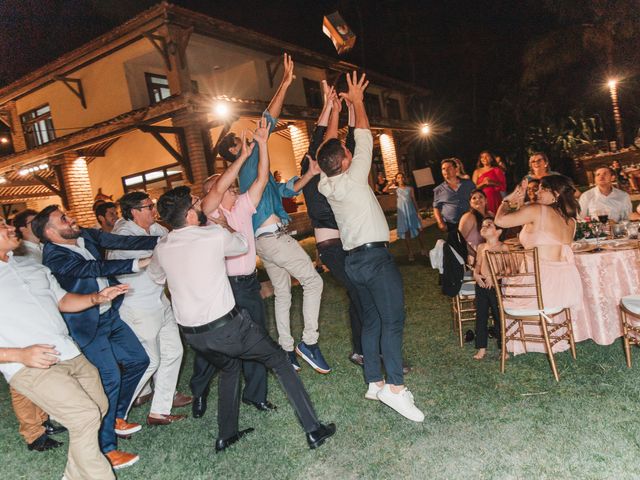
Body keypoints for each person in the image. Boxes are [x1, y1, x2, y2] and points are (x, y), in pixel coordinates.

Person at [149, 185, 336, 451]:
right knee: (280, 361)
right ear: (190, 214)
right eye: (195, 204)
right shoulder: (212, 234)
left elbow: (156, 278)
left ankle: (226, 435)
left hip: (193, 335)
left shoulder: (162, 247)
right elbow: (242, 245)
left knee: (229, 368)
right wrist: (226, 224)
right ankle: (313, 429)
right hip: (228, 328)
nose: (200, 206)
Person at [317, 71, 424, 422]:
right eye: (347, 153)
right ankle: (394, 389)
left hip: (353, 263)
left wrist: (338, 109)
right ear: (345, 161)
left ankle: (372, 381)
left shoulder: (326, 184)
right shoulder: (354, 178)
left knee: (374, 321)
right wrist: (358, 102)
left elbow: (328, 149)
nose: (349, 152)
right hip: (375, 259)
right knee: (392, 321)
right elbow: (363, 136)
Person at [217, 54, 329, 373]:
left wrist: (309, 174)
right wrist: (285, 82)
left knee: (282, 293)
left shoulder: (252, 173)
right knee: (313, 282)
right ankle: (309, 341)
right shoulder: (250, 162)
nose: (250, 136)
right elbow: (269, 118)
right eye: (243, 140)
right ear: (238, 152)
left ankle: (286, 351)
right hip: (273, 239)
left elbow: (283, 191)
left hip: (266, 241)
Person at [32, 206, 159, 470]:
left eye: (68, 214)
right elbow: (92, 268)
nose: (71, 218)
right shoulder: (54, 256)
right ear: (49, 231)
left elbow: (122, 241)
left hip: (109, 315)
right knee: (110, 378)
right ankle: (107, 448)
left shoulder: (84, 235)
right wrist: (139, 263)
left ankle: (114, 416)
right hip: (86, 324)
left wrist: (169, 238)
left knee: (138, 360)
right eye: (63, 218)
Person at [0, 216, 127, 479]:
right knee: (84, 416)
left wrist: (96, 298)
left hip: (70, 353)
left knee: (98, 406)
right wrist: (19, 354)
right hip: (30, 365)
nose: (11, 227)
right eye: (1, 225)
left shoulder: (31, 266)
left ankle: (72, 475)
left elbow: (62, 300)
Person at [190, 117, 279, 418]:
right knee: (218, 345)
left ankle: (255, 395)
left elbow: (262, 179)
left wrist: (263, 146)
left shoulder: (242, 205)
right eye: (223, 185)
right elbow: (219, 188)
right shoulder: (209, 213)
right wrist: (241, 157)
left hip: (249, 284)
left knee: (257, 338)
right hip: (223, 287)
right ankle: (199, 390)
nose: (230, 187)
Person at [110, 191, 191, 425]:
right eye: (148, 207)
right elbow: (149, 260)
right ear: (134, 212)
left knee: (174, 351)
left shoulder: (156, 229)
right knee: (148, 362)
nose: (153, 210)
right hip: (138, 307)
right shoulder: (122, 236)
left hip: (160, 300)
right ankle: (112, 415)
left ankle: (159, 410)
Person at [300, 81, 365, 367]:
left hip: (347, 242)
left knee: (359, 294)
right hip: (332, 246)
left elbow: (339, 144)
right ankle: (363, 351)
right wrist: (332, 109)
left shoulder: (330, 171)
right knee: (361, 293)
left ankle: (361, 350)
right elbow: (323, 139)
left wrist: (344, 107)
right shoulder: (313, 170)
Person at [7, 209, 68, 451]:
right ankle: (33, 434)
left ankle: (44, 421)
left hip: (36, 323)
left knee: (44, 371)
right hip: (15, 330)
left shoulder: (24, 253)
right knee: (20, 384)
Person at [495, 175, 583, 313]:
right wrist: (520, 203)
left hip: (537, 290)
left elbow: (500, 221)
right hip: (563, 290)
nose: (536, 192)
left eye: (542, 189)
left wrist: (506, 201)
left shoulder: (538, 210)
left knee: (493, 282)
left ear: (556, 193)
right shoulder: (571, 221)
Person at [472, 218, 508, 360]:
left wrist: (495, 276)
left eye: (489, 225)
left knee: (498, 316)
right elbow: (478, 265)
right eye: (483, 225)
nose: (485, 227)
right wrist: (476, 274)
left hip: (495, 285)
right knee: (481, 316)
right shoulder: (481, 247)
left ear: (498, 231)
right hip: (481, 284)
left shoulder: (502, 247)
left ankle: (503, 348)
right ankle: (482, 348)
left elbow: (509, 268)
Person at [433, 158, 476, 237]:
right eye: (443, 169)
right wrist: (440, 223)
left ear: (456, 169)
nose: (446, 171)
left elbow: (477, 199)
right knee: (456, 247)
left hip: (470, 221)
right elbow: (436, 208)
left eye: (449, 168)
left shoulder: (468, 184)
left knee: (472, 245)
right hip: (451, 225)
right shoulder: (438, 190)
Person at [395, 172, 427, 261]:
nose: (400, 179)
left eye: (402, 177)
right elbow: (385, 190)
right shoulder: (396, 190)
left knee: (419, 230)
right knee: (407, 232)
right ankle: (410, 253)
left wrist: (418, 212)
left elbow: (414, 200)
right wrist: (390, 183)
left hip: (411, 212)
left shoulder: (410, 189)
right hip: (402, 214)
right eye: (398, 177)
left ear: (404, 179)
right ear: (396, 179)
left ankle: (423, 249)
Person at [458, 189, 492, 265]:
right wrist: (477, 255)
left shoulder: (490, 215)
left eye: (480, 197)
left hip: (490, 254)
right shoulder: (468, 217)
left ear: (486, 200)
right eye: (474, 198)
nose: (478, 199)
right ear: (470, 203)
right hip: (474, 258)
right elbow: (459, 240)